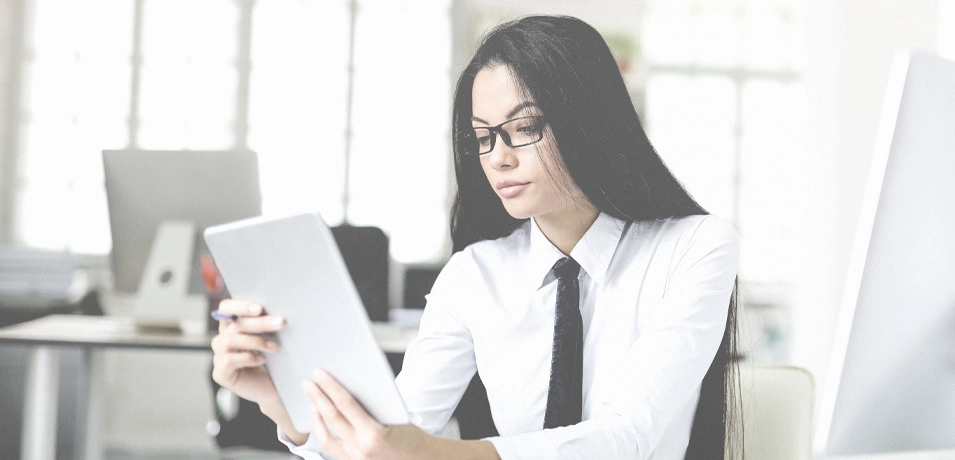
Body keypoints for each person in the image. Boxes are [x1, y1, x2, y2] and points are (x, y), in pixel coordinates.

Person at [211, 15, 741, 460]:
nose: (498, 156)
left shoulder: (696, 248)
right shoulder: (474, 275)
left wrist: (428, 453)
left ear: (589, 120)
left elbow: (627, 437)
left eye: (524, 126)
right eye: (482, 136)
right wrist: (282, 403)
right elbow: (391, 433)